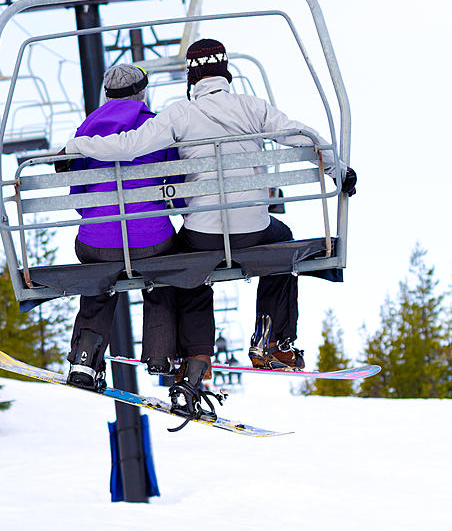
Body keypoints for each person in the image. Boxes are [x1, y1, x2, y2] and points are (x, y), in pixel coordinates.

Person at [65, 39, 358, 371]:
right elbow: (301, 135)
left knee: (189, 265)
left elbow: (130, 145)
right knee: (283, 241)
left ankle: (191, 361)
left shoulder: (179, 114)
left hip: (202, 235)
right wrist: (337, 168)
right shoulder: (253, 107)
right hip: (254, 230)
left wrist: (77, 145)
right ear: (226, 72)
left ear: (192, 79)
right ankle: (273, 342)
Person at [61, 64, 214, 395]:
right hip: (151, 242)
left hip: (97, 240)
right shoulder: (156, 125)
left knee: (96, 281)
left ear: (106, 94)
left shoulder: (84, 131)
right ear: (142, 93)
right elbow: (176, 183)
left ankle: (84, 361)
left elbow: (77, 193)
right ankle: (160, 354)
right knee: (163, 275)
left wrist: (99, 220)